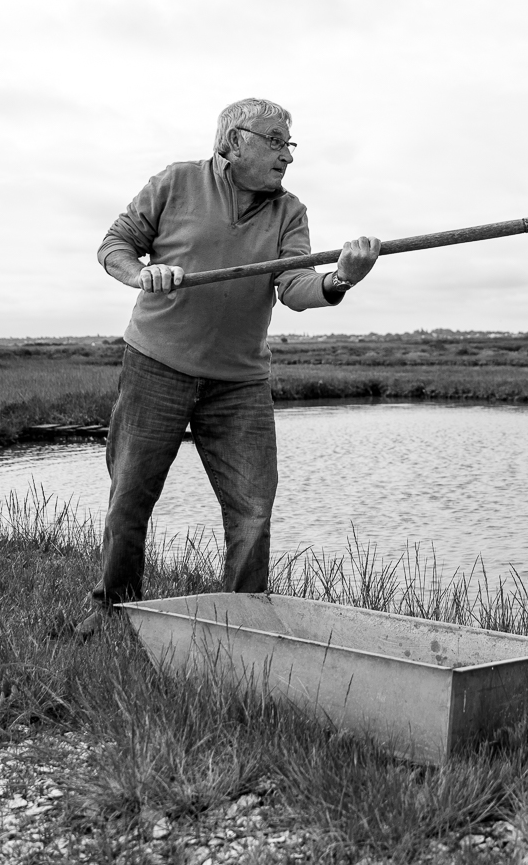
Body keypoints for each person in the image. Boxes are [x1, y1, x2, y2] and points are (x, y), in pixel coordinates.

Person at [77, 97, 380, 636]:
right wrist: (141, 274)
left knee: (253, 508)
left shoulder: (291, 212)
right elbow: (115, 245)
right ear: (233, 141)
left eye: (290, 143)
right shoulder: (175, 182)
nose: (287, 154)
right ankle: (113, 614)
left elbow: (295, 287)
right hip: (157, 364)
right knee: (130, 496)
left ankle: (242, 626)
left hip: (239, 382)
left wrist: (341, 279)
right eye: (275, 140)